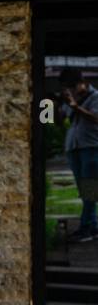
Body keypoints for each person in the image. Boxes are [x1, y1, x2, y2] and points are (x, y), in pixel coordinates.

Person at [60, 66, 98, 242]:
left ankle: (85, 228)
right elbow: (54, 120)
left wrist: (76, 107)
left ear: (82, 83)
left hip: (90, 147)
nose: (72, 91)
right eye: (68, 88)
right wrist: (46, 104)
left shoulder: (95, 96)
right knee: (84, 191)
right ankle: (93, 227)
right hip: (73, 148)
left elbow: (96, 118)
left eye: (73, 87)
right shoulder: (70, 98)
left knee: (89, 189)